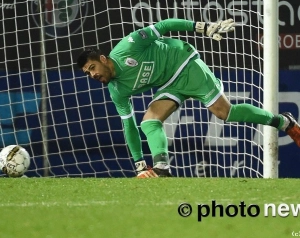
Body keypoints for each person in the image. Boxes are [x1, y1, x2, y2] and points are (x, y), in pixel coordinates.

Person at [76, 18, 300, 178]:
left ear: (104, 59)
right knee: (149, 122)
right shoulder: (116, 90)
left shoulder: (129, 46)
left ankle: (284, 122)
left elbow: (164, 26)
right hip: (169, 84)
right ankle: (161, 168)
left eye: (93, 67)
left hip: (184, 63)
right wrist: (139, 164)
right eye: (88, 73)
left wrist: (202, 28)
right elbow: (129, 127)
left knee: (224, 113)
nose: (93, 75)